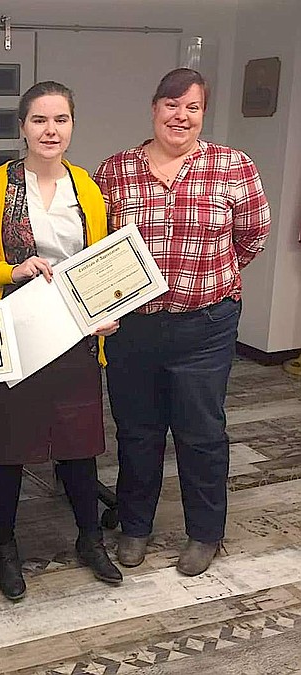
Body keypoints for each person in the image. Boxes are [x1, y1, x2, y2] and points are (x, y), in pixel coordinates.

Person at [93, 68, 270, 576]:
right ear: (154, 108)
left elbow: (252, 235)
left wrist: (211, 278)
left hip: (205, 326)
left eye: (192, 107)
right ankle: (134, 526)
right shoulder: (116, 170)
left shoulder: (232, 166)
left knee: (201, 432)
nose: (181, 116)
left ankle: (205, 533)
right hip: (135, 329)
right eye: (172, 105)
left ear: (202, 114)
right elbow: (100, 246)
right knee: (137, 431)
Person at [0, 81, 123, 602]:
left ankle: (88, 538)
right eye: (39, 120)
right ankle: (5, 547)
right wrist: (12, 270)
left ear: (72, 125)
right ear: (22, 127)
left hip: (76, 338)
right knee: (6, 452)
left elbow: (103, 261)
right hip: (15, 336)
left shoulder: (87, 186)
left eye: (61, 119)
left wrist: (108, 313)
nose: (50, 130)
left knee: (79, 447)